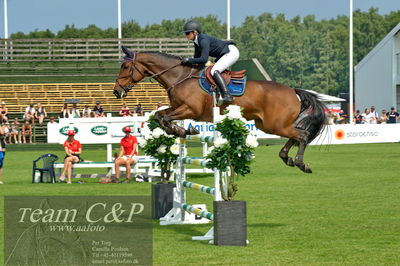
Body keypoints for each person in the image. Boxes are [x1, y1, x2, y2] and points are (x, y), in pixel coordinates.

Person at [181, 20, 239, 105]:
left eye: (187, 33)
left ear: (195, 32)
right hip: (225, 53)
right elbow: (197, 58)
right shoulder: (196, 41)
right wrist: (187, 62)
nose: (186, 35)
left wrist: (188, 60)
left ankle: (227, 95)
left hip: (231, 52)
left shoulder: (203, 40)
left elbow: (204, 59)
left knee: (214, 71)